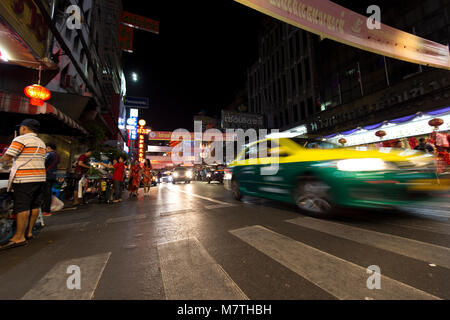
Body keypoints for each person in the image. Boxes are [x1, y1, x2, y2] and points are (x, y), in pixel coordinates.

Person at [0, 119, 46, 250]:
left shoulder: (21, 139)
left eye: (21, 128)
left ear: (24, 128)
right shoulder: (41, 143)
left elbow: (7, 158)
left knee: (22, 206)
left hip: (24, 178)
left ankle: (19, 237)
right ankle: (29, 232)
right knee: (34, 205)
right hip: (40, 177)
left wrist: (2, 161)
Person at [42, 143, 60, 217]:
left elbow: (43, 162)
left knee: (46, 194)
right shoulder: (57, 155)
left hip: (46, 175)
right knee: (48, 193)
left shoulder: (49, 154)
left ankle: (46, 210)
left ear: (48, 147)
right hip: (53, 175)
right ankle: (47, 209)